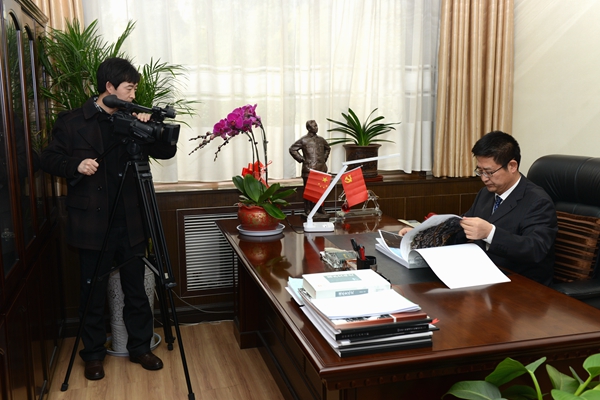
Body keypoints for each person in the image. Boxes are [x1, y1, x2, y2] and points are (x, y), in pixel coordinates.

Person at [41, 57, 175, 381]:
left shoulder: (131, 118)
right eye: (129, 88)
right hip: (92, 223)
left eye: (135, 89)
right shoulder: (72, 121)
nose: (133, 95)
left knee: (136, 290)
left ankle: (140, 347)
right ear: (110, 87)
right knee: (92, 292)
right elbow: (48, 158)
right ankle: (93, 354)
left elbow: (166, 151)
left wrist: (150, 128)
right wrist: (75, 165)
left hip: (130, 220)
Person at [400, 131, 557, 285]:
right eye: (480, 171)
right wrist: (422, 233)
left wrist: (490, 233)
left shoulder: (538, 201)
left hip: (519, 283)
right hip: (481, 273)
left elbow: (535, 249)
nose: (484, 178)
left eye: (489, 172)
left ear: (512, 166)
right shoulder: (486, 193)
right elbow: (462, 227)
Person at [289, 120, 331, 216]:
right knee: (308, 191)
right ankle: (307, 209)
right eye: (314, 126)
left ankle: (320, 208)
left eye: (316, 126)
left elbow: (328, 148)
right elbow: (292, 149)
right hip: (309, 169)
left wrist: (324, 158)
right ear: (308, 128)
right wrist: (302, 159)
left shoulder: (321, 140)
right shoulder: (304, 140)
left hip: (321, 169)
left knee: (321, 190)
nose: (316, 128)